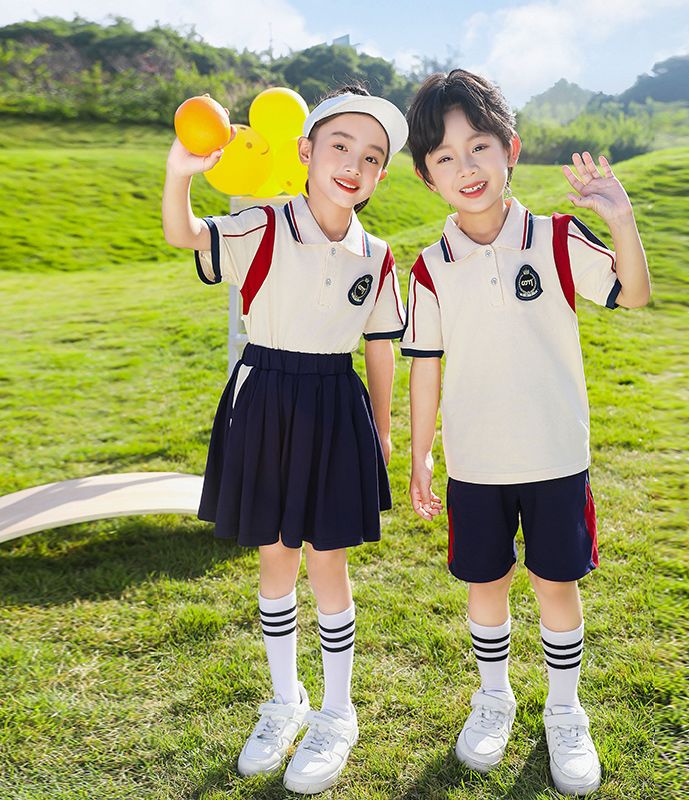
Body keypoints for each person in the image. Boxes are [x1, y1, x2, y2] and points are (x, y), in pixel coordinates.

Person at [402, 69, 650, 796]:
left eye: (479, 146)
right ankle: (494, 697)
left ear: (510, 149)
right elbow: (425, 366)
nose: (466, 167)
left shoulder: (556, 237)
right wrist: (420, 452)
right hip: (475, 461)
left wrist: (621, 217)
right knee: (486, 583)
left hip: (553, 455)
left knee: (555, 583)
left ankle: (566, 711)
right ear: (426, 177)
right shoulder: (429, 269)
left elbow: (632, 294)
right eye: (446, 157)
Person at [161, 86, 408, 795]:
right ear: (305, 152)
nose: (353, 164)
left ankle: (336, 712)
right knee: (276, 558)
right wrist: (182, 171)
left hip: (335, 403)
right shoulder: (263, 224)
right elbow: (186, 236)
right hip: (265, 395)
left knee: (328, 562)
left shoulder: (377, 254)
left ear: (381, 175)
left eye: (371, 156)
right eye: (339, 147)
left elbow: (383, 349)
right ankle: (284, 701)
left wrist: (384, 432)